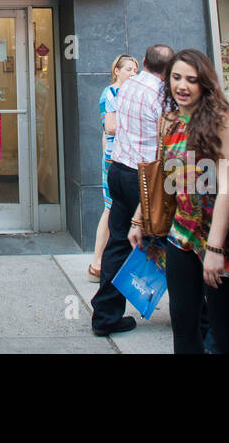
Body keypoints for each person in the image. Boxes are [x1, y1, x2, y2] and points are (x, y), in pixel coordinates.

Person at [133, 48, 229, 354]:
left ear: (204, 83)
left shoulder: (222, 121)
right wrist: (139, 218)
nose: (182, 86)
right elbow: (162, 173)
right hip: (181, 235)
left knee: (228, 337)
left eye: (191, 80)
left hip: (221, 238)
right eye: (176, 77)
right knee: (183, 325)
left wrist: (215, 249)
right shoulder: (170, 121)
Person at [90, 43, 171, 337]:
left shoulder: (124, 88)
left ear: (145, 61)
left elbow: (111, 126)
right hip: (145, 175)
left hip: (119, 170)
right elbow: (165, 141)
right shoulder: (161, 95)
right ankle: (195, 316)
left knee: (118, 243)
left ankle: (105, 316)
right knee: (172, 244)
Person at [89, 54, 139, 282]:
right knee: (110, 209)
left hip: (129, 158)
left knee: (121, 211)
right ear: (116, 71)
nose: (133, 73)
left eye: (135, 69)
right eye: (128, 69)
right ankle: (96, 262)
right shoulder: (110, 94)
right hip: (115, 159)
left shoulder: (131, 94)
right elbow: (109, 127)